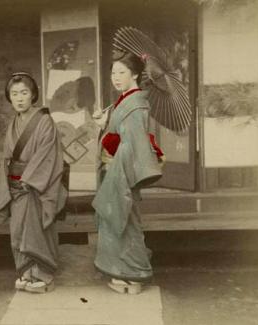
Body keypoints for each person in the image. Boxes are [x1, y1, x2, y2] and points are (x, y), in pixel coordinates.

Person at [92, 51, 164, 294]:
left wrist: (109, 137)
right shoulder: (123, 100)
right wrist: (105, 124)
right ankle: (125, 274)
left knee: (126, 221)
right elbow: (119, 135)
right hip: (116, 168)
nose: (116, 77)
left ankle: (136, 274)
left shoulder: (135, 104)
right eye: (113, 72)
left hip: (122, 169)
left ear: (135, 74)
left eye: (122, 72)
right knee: (119, 221)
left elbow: (132, 144)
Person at [0, 72, 68, 293]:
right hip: (16, 186)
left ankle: (43, 274)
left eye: (24, 93)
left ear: (33, 94)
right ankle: (26, 271)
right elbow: (8, 158)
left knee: (36, 229)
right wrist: (9, 182)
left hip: (37, 185)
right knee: (19, 229)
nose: (19, 98)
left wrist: (30, 179)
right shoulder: (13, 123)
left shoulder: (45, 121)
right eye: (14, 93)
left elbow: (48, 154)